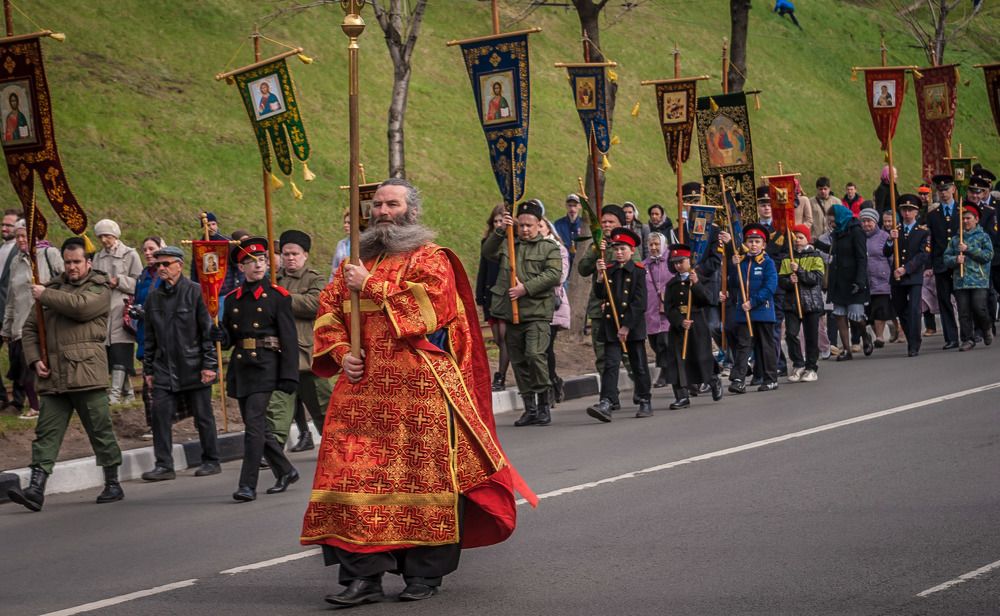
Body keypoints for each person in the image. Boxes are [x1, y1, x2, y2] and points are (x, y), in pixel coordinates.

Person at [302, 178, 528, 606]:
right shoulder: (353, 262)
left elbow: (430, 311)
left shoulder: (431, 258)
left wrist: (369, 285)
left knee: (423, 479)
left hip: (419, 390)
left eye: (393, 204)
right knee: (354, 477)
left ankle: (423, 574)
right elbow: (328, 313)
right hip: (361, 390)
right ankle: (363, 576)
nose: (383, 211)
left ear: (411, 211)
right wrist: (341, 351)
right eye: (379, 205)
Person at [7, 238, 124, 511]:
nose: (72, 267)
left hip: (85, 373)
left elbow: (81, 307)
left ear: (88, 263)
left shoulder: (98, 287)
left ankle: (112, 482)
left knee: (100, 430)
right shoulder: (51, 288)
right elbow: (29, 329)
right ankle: (36, 489)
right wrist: (35, 359)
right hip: (53, 376)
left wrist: (44, 295)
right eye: (68, 262)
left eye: (77, 262)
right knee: (45, 434)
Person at [217, 237, 299, 502]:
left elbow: (288, 338)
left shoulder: (277, 297)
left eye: (262, 260)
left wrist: (289, 375)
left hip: (266, 365)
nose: (258, 265)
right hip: (243, 368)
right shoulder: (232, 300)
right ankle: (285, 470)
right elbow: (230, 339)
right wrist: (217, 334)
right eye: (251, 262)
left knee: (253, 425)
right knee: (258, 426)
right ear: (241, 268)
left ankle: (247, 485)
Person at [140, 246, 221, 481]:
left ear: (179, 265)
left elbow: (207, 332)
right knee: (159, 415)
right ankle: (164, 465)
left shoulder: (196, 292)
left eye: (166, 264)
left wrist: (209, 365)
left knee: (203, 416)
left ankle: (211, 460)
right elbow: (150, 336)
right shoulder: (154, 297)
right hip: (164, 367)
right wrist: (148, 370)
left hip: (194, 365)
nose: (161, 269)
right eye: (158, 265)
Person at [483, 199, 562, 426]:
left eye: (530, 225)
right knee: (518, 361)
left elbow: (553, 275)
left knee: (535, 356)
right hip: (511, 313)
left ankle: (544, 404)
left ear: (539, 225)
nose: (525, 230)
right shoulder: (509, 243)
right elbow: (487, 252)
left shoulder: (549, 248)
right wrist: (500, 230)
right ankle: (530, 407)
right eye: (521, 225)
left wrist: (525, 288)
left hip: (536, 313)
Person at [266, 230, 331, 451]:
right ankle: (274, 452)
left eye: (295, 253)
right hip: (280, 355)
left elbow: (316, 304)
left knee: (323, 408)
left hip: (309, 355)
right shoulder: (272, 280)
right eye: (286, 254)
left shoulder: (315, 279)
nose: (290, 258)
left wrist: (282, 297)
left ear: (305, 255)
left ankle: (336, 450)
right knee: (278, 407)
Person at [586, 227, 652, 420]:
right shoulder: (610, 270)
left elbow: (640, 302)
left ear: (632, 251)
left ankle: (644, 399)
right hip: (611, 325)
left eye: (623, 248)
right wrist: (599, 278)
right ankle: (606, 401)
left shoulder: (638, 271)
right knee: (611, 364)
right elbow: (600, 295)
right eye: (616, 249)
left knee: (638, 364)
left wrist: (626, 326)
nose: (619, 252)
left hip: (632, 325)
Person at [3, 220, 62, 419]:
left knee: (46, 365)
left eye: (24, 235)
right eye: (18, 236)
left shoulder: (49, 254)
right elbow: (12, 297)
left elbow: (65, 282)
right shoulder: (16, 261)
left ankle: (46, 407)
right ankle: (36, 407)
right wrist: (6, 327)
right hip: (21, 324)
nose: (20, 240)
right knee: (24, 367)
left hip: (46, 320)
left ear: (34, 235)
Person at [662, 244, 722, 408]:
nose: (678, 265)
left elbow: (708, 300)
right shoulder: (672, 284)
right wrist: (679, 321)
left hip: (697, 322)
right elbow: (669, 307)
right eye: (675, 262)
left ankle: (713, 380)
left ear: (690, 261)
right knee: (677, 360)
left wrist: (696, 285)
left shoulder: (699, 278)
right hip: (679, 326)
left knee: (701, 357)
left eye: (681, 261)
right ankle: (681, 396)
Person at [91, 218, 143, 404]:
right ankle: (128, 395)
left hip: (123, 310)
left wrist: (118, 281)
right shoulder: (98, 257)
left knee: (121, 351)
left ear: (115, 235)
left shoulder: (130, 255)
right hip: (104, 311)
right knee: (111, 353)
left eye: (107, 235)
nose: (104, 240)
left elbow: (139, 282)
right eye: (101, 236)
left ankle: (113, 395)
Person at [724, 223, 779, 392]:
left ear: (763, 245)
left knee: (766, 345)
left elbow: (770, 287)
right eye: (750, 241)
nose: (753, 245)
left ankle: (770, 378)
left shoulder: (767, 263)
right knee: (743, 345)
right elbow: (734, 284)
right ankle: (739, 379)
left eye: (757, 241)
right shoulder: (742, 262)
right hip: (744, 312)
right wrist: (733, 268)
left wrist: (753, 302)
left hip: (762, 311)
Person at [578, 204, 631, 375]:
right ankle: (608, 395)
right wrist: (596, 251)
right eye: (604, 222)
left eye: (611, 222)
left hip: (622, 309)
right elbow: (583, 269)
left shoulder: (627, 246)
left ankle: (640, 389)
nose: (607, 225)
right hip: (598, 308)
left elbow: (633, 276)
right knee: (602, 354)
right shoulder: (596, 246)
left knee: (628, 353)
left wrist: (613, 302)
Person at [885, 195, 931, 357]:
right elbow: (886, 252)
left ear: (916, 212)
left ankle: (914, 343)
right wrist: (890, 240)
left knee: (914, 310)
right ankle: (910, 334)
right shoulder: (896, 230)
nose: (906, 213)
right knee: (900, 309)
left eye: (910, 210)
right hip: (897, 278)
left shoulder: (923, 232)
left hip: (913, 277)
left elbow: (922, 255)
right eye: (904, 210)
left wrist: (905, 269)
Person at [943, 203, 994, 351]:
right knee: (963, 312)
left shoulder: (983, 237)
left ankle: (986, 327)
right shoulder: (955, 239)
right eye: (963, 218)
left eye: (968, 218)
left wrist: (968, 250)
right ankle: (967, 339)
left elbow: (988, 256)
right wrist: (955, 260)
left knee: (979, 308)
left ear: (976, 219)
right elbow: (946, 258)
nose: (965, 221)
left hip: (979, 280)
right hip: (960, 281)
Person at [778, 224, 825, 382]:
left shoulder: (815, 255)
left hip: (811, 302)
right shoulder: (787, 258)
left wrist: (800, 271)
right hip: (792, 303)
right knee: (791, 333)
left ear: (807, 239)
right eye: (795, 238)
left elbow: (816, 279)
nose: (797, 241)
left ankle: (811, 367)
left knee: (811, 336)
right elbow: (781, 281)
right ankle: (798, 364)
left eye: (800, 237)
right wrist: (789, 281)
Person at [827, 204, 872, 361]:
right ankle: (847, 350)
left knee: (856, 315)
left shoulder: (856, 231)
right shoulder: (836, 234)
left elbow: (862, 257)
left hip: (854, 279)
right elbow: (833, 252)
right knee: (839, 315)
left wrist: (860, 281)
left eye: (833, 221)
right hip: (838, 280)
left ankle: (865, 336)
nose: (832, 225)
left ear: (840, 218)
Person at [476, 205, 511, 392]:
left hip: (505, 294)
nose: (498, 224)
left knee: (504, 337)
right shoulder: (487, 243)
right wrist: (479, 294)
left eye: (501, 221)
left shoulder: (511, 243)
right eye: (496, 221)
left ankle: (501, 376)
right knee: (497, 337)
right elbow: (483, 269)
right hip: (490, 293)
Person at [926, 174, 961, 349]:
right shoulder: (933, 215)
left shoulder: (962, 212)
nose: (943, 193)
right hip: (941, 263)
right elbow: (930, 242)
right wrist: (929, 265)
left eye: (946, 189)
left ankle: (970, 332)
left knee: (963, 300)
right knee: (944, 301)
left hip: (960, 263)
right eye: (940, 190)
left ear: (953, 189)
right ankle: (951, 337)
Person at [540, 217, 570, 403]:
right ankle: (550, 382)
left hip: (552, 305)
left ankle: (552, 382)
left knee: (546, 348)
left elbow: (559, 276)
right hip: (533, 305)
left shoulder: (558, 248)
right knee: (538, 350)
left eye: (541, 226)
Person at [860, 207, 893, 347]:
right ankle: (876, 334)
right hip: (865, 280)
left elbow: (891, 257)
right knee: (870, 312)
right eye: (864, 221)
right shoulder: (859, 237)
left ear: (875, 222)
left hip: (882, 279)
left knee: (880, 309)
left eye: (869, 221)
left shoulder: (884, 236)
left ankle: (879, 337)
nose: (866, 224)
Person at [643, 232, 673, 388]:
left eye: (657, 244)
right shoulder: (644, 265)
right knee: (655, 342)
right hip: (651, 309)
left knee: (665, 341)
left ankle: (664, 372)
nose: (654, 248)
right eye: (651, 244)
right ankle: (668, 368)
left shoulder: (672, 261)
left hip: (668, 309)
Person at [0, 208, 22, 409]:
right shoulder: (1, 249)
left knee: (17, 357)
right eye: (3, 224)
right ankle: (2, 396)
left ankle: (18, 399)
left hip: (13, 312)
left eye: (9, 225)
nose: (5, 228)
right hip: (1, 310)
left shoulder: (22, 251)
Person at [553, 194, 584, 271]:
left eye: (575, 206)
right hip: (563, 262)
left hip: (579, 262)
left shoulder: (584, 225)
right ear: (566, 206)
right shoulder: (558, 224)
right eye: (570, 206)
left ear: (579, 206)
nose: (572, 209)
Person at [330, 210, 351, 278]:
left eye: (349, 223)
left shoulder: (366, 243)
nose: (345, 225)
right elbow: (334, 267)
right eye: (345, 222)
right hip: (340, 283)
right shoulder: (341, 244)